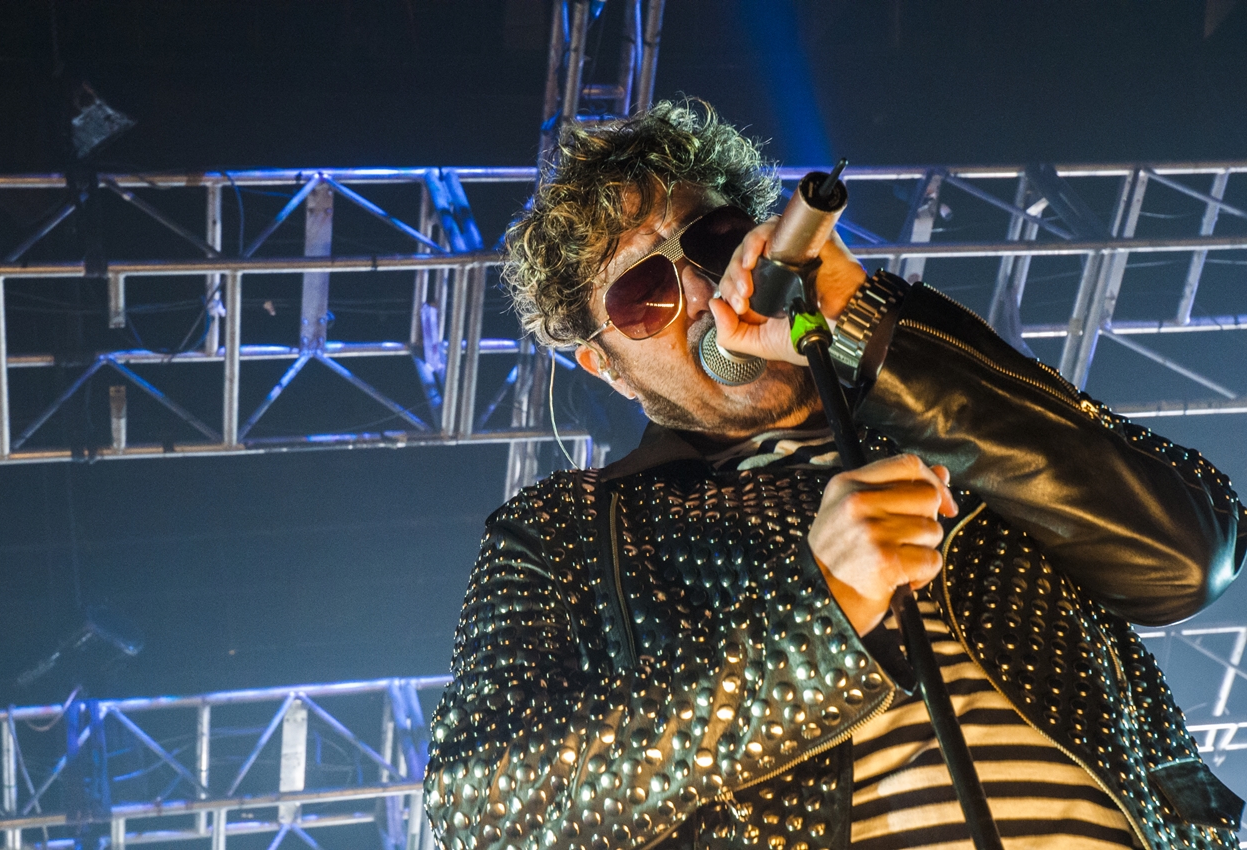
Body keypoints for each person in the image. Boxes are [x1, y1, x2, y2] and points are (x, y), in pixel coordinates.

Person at [423, 101, 1245, 850]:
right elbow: (480, 807)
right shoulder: (569, 529)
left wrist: (873, 326)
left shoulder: (941, 412)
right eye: (646, 293)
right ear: (604, 364)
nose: (706, 292)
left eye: (712, 242)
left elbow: (1186, 552)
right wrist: (818, 614)